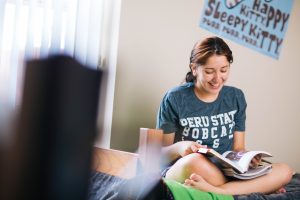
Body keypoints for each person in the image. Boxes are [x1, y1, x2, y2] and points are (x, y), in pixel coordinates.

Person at [156, 36, 293, 195]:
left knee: (285, 171)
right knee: (195, 161)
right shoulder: (175, 98)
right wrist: (181, 147)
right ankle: (246, 189)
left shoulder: (235, 97)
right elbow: (160, 154)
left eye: (224, 70)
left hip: (224, 171)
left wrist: (247, 158)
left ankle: (216, 190)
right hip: (186, 167)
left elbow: (238, 148)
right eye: (209, 71)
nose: (217, 79)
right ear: (194, 68)